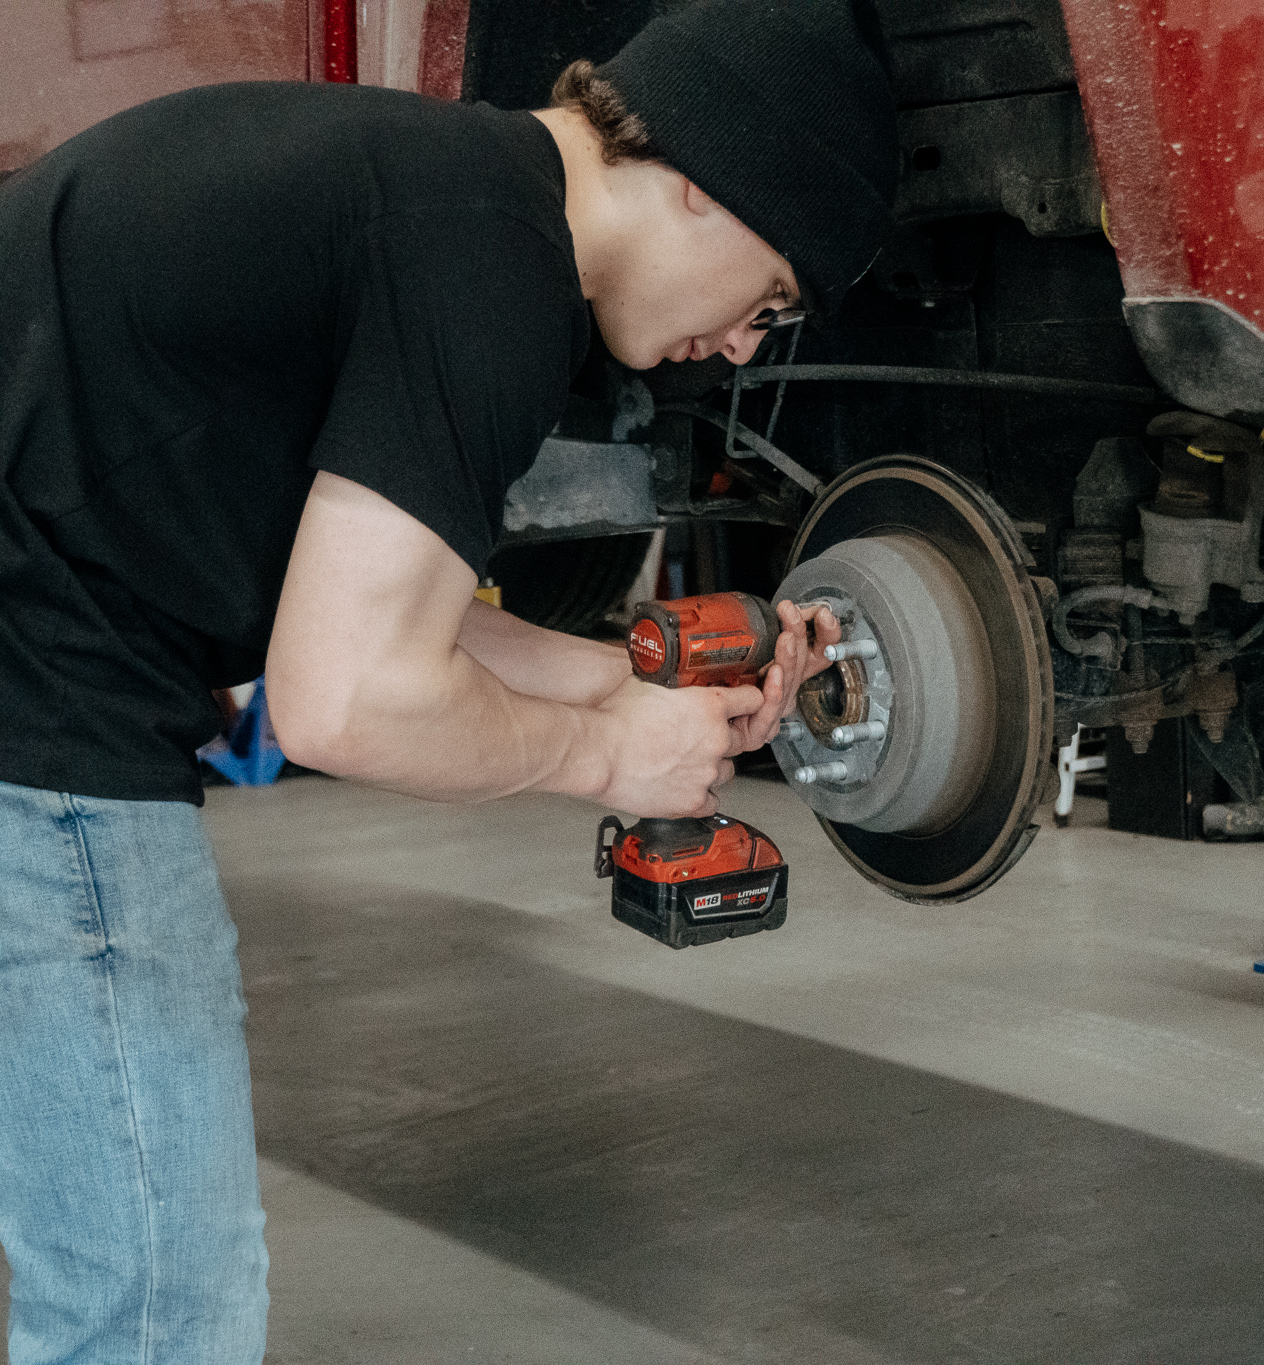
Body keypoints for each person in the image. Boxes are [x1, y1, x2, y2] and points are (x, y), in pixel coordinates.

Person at [0, 0, 897, 1358]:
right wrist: (607, 761)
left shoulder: (449, 196)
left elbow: (384, 599)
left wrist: (628, 684)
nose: (746, 345)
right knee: (154, 1302)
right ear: (712, 184)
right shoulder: (495, 266)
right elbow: (342, 696)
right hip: (39, 687)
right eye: (771, 297)